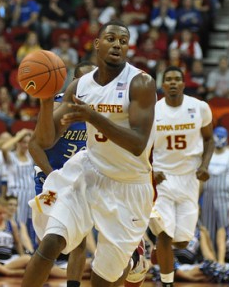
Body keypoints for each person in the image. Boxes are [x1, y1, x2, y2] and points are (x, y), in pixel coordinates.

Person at [22, 20, 157, 287]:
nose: (117, 44)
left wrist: (93, 116)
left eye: (123, 40)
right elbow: (46, 140)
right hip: (89, 172)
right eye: (111, 38)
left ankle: (133, 257)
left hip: (129, 186)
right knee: (51, 242)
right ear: (97, 44)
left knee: (101, 281)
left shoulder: (141, 83)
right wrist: (47, 100)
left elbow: (138, 143)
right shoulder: (81, 85)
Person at [29, 61, 96, 287]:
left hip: (80, 183)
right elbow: (34, 146)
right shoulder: (60, 105)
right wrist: (53, 175)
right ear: (73, 83)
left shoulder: (102, 110)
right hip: (51, 181)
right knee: (49, 241)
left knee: (80, 239)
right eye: (83, 79)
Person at [149, 66, 214, 287]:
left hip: (189, 179)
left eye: (177, 79)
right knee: (165, 235)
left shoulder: (199, 107)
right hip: (162, 179)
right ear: (163, 85)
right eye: (169, 79)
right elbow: (142, 146)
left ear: (184, 84)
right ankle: (167, 282)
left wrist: (204, 165)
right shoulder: (153, 110)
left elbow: (209, 140)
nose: (174, 82)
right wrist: (150, 171)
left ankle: (154, 238)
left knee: (182, 241)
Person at [200, 127, 229, 246]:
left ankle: (226, 258)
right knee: (207, 230)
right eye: (217, 136)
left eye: (222, 136)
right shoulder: (206, 155)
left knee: (226, 230)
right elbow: (200, 180)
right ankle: (211, 259)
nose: (219, 139)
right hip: (207, 199)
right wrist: (196, 200)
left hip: (226, 200)